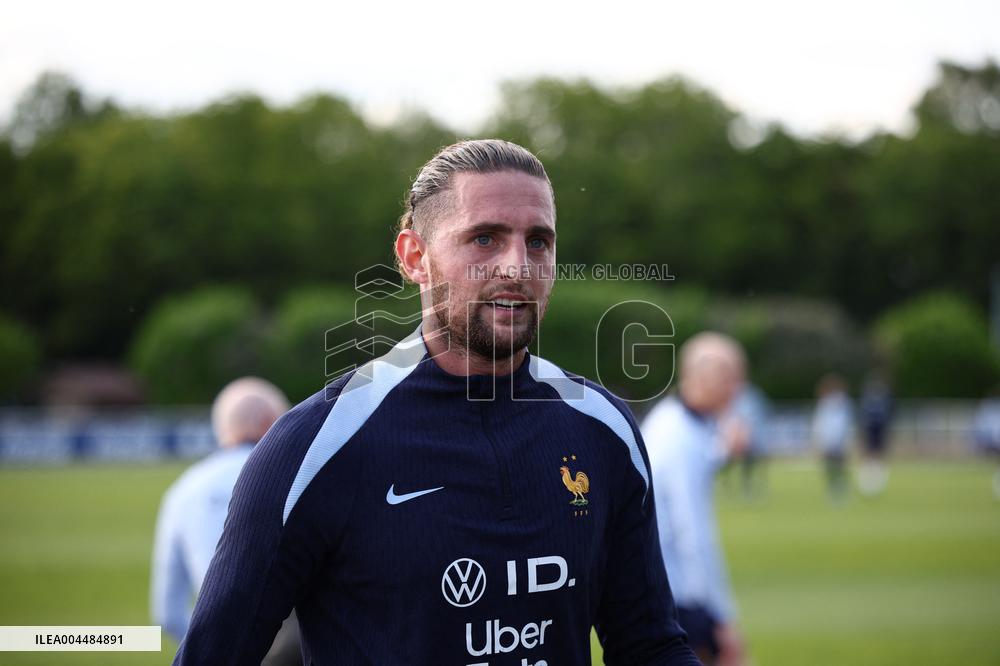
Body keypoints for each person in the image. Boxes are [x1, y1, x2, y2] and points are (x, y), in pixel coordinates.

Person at [174, 140, 701, 665]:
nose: (518, 267)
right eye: (485, 239)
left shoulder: (603, 427)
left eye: (538, 241)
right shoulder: (316, 445)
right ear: (414, 258)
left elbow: (650, 646)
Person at [152, 377, 301, 665]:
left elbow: (168, 614)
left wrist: (215, 646)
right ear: (272, 421)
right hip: (292, 650)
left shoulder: (183, 489)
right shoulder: (297, 476)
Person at [641, 333, 749, 666]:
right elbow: (692, 534)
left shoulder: (678, 422)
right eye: (731, 378)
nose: (737, 389)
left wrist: (723, 453)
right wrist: (722, 616)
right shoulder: (677, 436)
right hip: (678, 594)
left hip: (672, 587)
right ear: (703, 377)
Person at [812, 374, 853, 502]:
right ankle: (834, 488)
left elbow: (843, 424)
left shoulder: (842, 403)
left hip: (837, 441)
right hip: (829, 441)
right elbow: (820, 424)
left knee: (838, 467)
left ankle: (840, 489)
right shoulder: (825, 404)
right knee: (830, 467)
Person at [858, 371, 894, 496]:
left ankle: (878, 479)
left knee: (878, 455)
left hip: (879, 430)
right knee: (869, 454)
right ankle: (868, 480)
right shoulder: (868, 399)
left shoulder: (884, 398)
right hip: (870, 430)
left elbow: (889, 414)